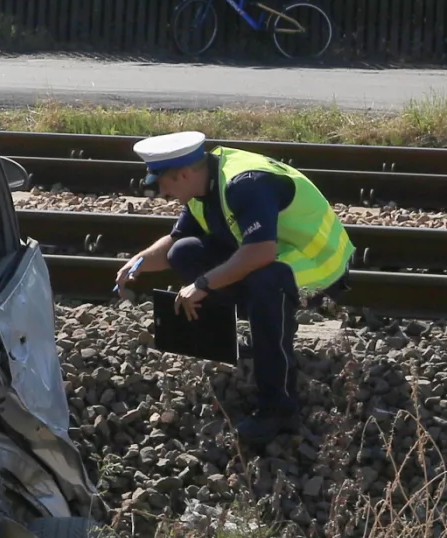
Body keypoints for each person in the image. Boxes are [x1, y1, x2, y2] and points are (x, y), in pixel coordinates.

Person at [115, 130, 355, 446]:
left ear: (184, 174)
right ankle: (240, 339)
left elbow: (261, 253)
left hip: (316, 265)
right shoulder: (202, 185)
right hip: (274, 256)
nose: (160, 193)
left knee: (265, 280)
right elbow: (175, 241)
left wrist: (202, 284)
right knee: (184, 252)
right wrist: (139, 263)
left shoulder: (244, 184)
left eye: (161, 184)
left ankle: (279, 407)